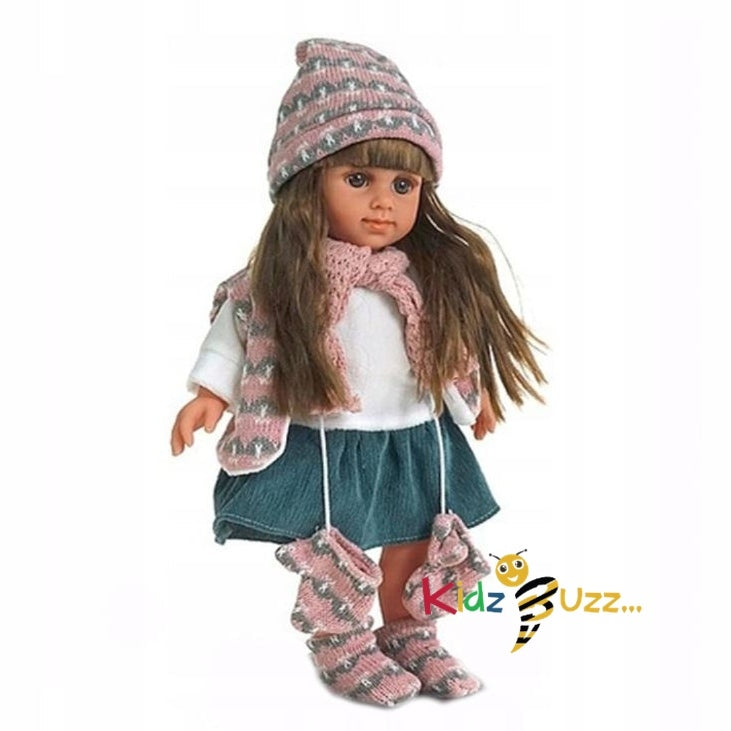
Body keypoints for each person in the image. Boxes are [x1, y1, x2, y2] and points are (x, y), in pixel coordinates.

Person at [170, 37, 547, 707]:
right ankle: (340, 638)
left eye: (403, 185)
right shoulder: (281, 282)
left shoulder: (421, 278)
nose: (383, 203)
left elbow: (448, 347)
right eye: (357, 180)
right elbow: (238, 334)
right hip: (326, 443)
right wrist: (209, 393)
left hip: (416, 438)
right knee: (335, 548)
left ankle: (412, 629)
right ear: (305, 183)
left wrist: (473, 398)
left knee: (417, 540)